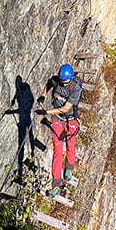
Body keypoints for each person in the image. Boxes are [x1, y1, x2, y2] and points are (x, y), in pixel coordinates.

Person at [35, 63, 82, 197]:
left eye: (66, 82)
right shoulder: (56, 80)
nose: (64, 84)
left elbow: (66, 108)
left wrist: (46, 112)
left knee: (70, 144)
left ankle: (69, 167)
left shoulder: (75, 88)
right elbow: (49, 84)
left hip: (70, 118)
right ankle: (56, 184)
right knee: (57, 150)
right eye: (62, 82)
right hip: (57, 119)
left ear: (71, 79)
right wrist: (43, 95)